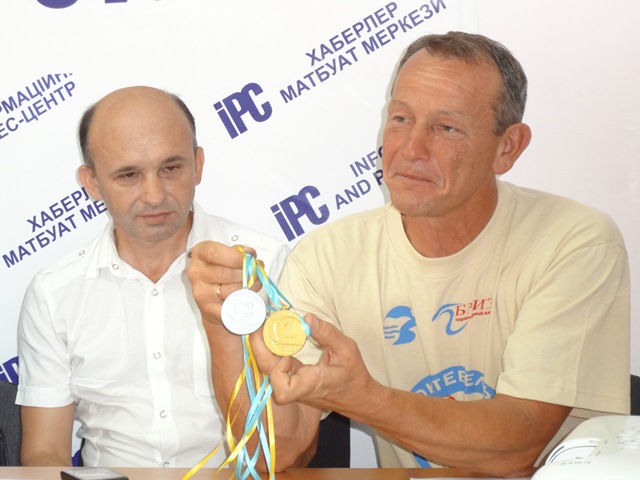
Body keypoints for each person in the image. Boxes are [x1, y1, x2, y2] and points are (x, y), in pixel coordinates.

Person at [187, 32, 630, 477]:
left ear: (507, 147)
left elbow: (518, 445)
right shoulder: (328, 256)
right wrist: (226, 326)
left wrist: (365, 399)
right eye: (400, 119)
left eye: (447, 128)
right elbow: (277, 454)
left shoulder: (573, 242)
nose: (411, 149)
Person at [16, 86, 289, 467]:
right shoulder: (55, 293)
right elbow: (44, 452)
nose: (155, 195)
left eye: (171, 169)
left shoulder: (267, 267)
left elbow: (296, 443)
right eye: (129, 175)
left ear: (198, 164)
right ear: (91, 183)